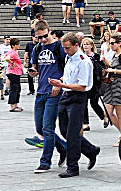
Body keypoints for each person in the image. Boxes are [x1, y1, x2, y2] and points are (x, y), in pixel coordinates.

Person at [49, 33, 102, 178]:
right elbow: (68, 76)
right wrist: (58, 82)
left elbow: (82, 86)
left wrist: (62, 85)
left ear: (76, 45)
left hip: (78, 97)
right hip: (66, 95)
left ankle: (73, 166)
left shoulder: (83, 61)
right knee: (64, 131)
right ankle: (90, 150)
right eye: (64, 48)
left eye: (67, 48)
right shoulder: (69, 57)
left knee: (72, 133)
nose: (65, 51)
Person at [27, 20, 68, 169]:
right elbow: (34, 67)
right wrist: (33, 72)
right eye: (39, 37)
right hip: (41, 90)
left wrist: (60, 82)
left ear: (49, 30)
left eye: (45, 36)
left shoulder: (59, 47)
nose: (43, 40)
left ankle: (45, 161)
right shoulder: (37, 48)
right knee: (40, 128)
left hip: (54, 91)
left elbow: (69, 68)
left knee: (48, 128)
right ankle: (63, 148)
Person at [100, 34, 121, 145]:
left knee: (120, 114)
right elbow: (114, 67)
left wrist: (113, 71)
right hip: (111, 85)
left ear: (119, 43)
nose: (111, 45)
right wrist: (106, 62)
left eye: (113, 43)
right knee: (108, 113)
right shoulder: (115, 55)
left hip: (120, 86)